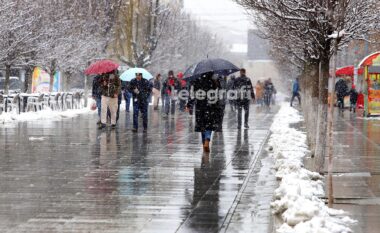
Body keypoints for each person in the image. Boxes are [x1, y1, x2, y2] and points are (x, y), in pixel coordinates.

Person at [186, 72, 222, 153]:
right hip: (211, 106)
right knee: (209, 125)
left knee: (202, 126)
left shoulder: (197, 81)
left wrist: (189, 104)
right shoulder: (214, 81)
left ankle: (204, 144)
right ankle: (207, 140)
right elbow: (218, 94)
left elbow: (193, 95)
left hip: (200, 107)